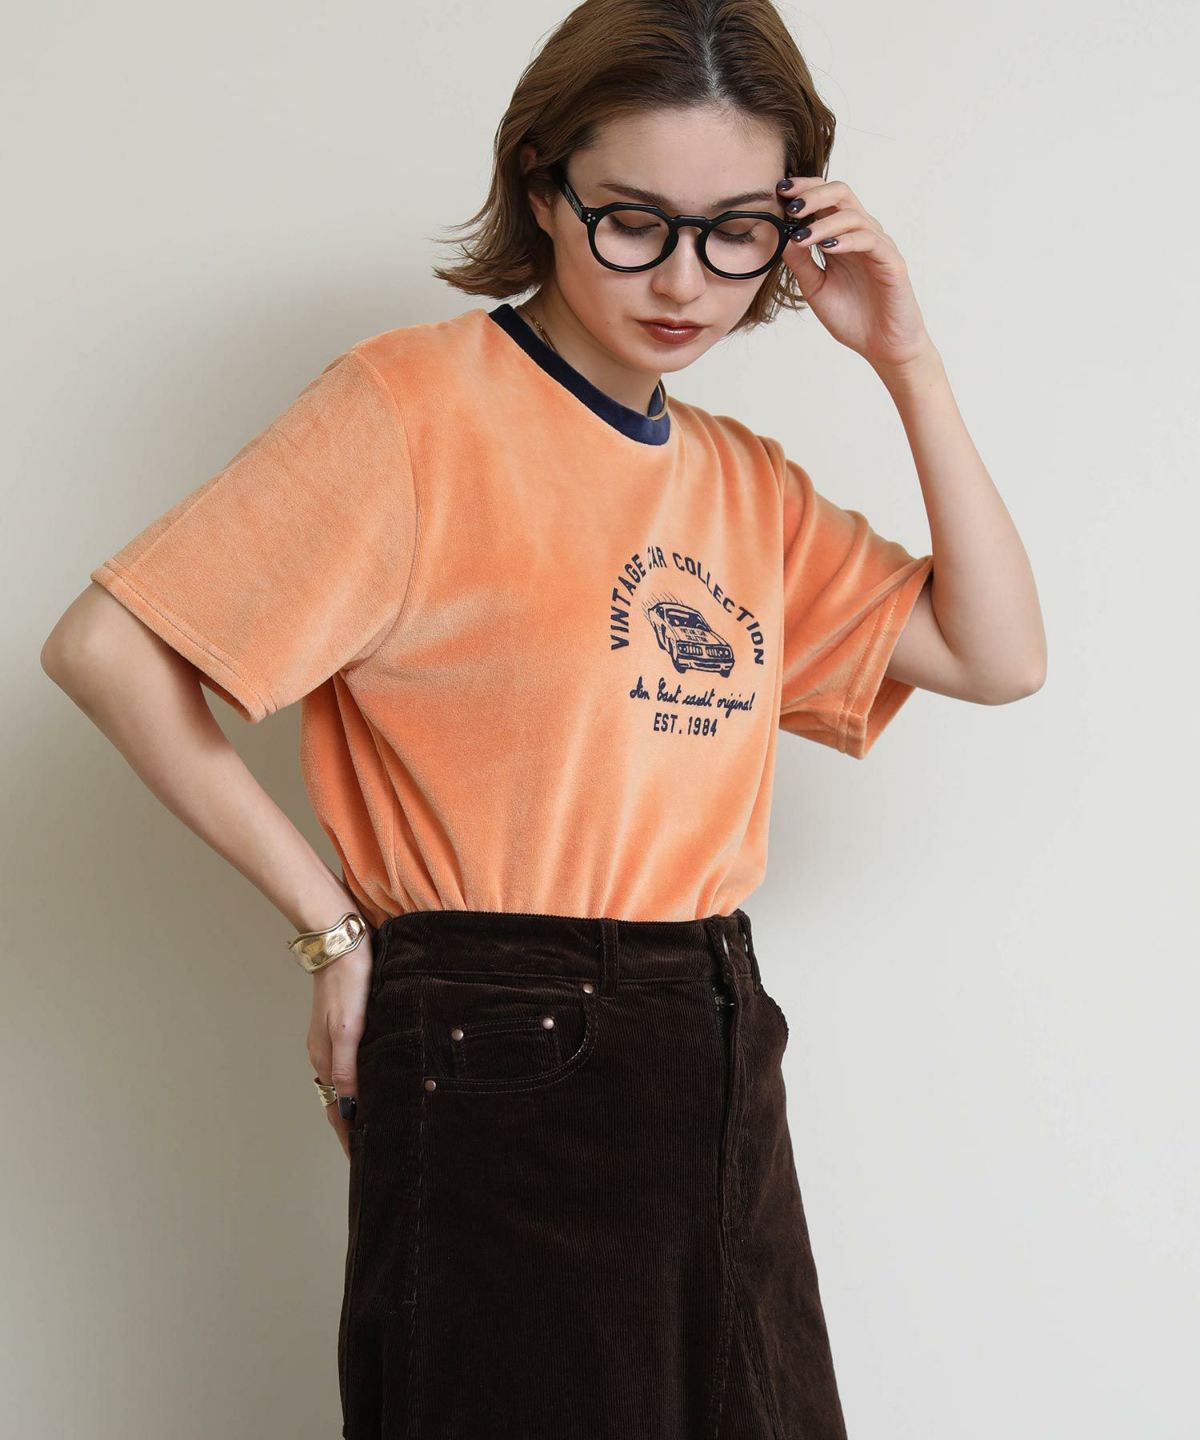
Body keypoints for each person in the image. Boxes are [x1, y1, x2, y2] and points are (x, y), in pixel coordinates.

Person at [41, 0, 1046, 1435]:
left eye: (735, 231)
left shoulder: (742, 481)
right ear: (542, 187)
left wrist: (907, 359)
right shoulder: (412, 410)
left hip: (711, 1024)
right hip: (498, 1027)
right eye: (634, 220)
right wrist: (332, 930)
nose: (684, 280)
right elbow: (107, 648)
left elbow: (998, 655)